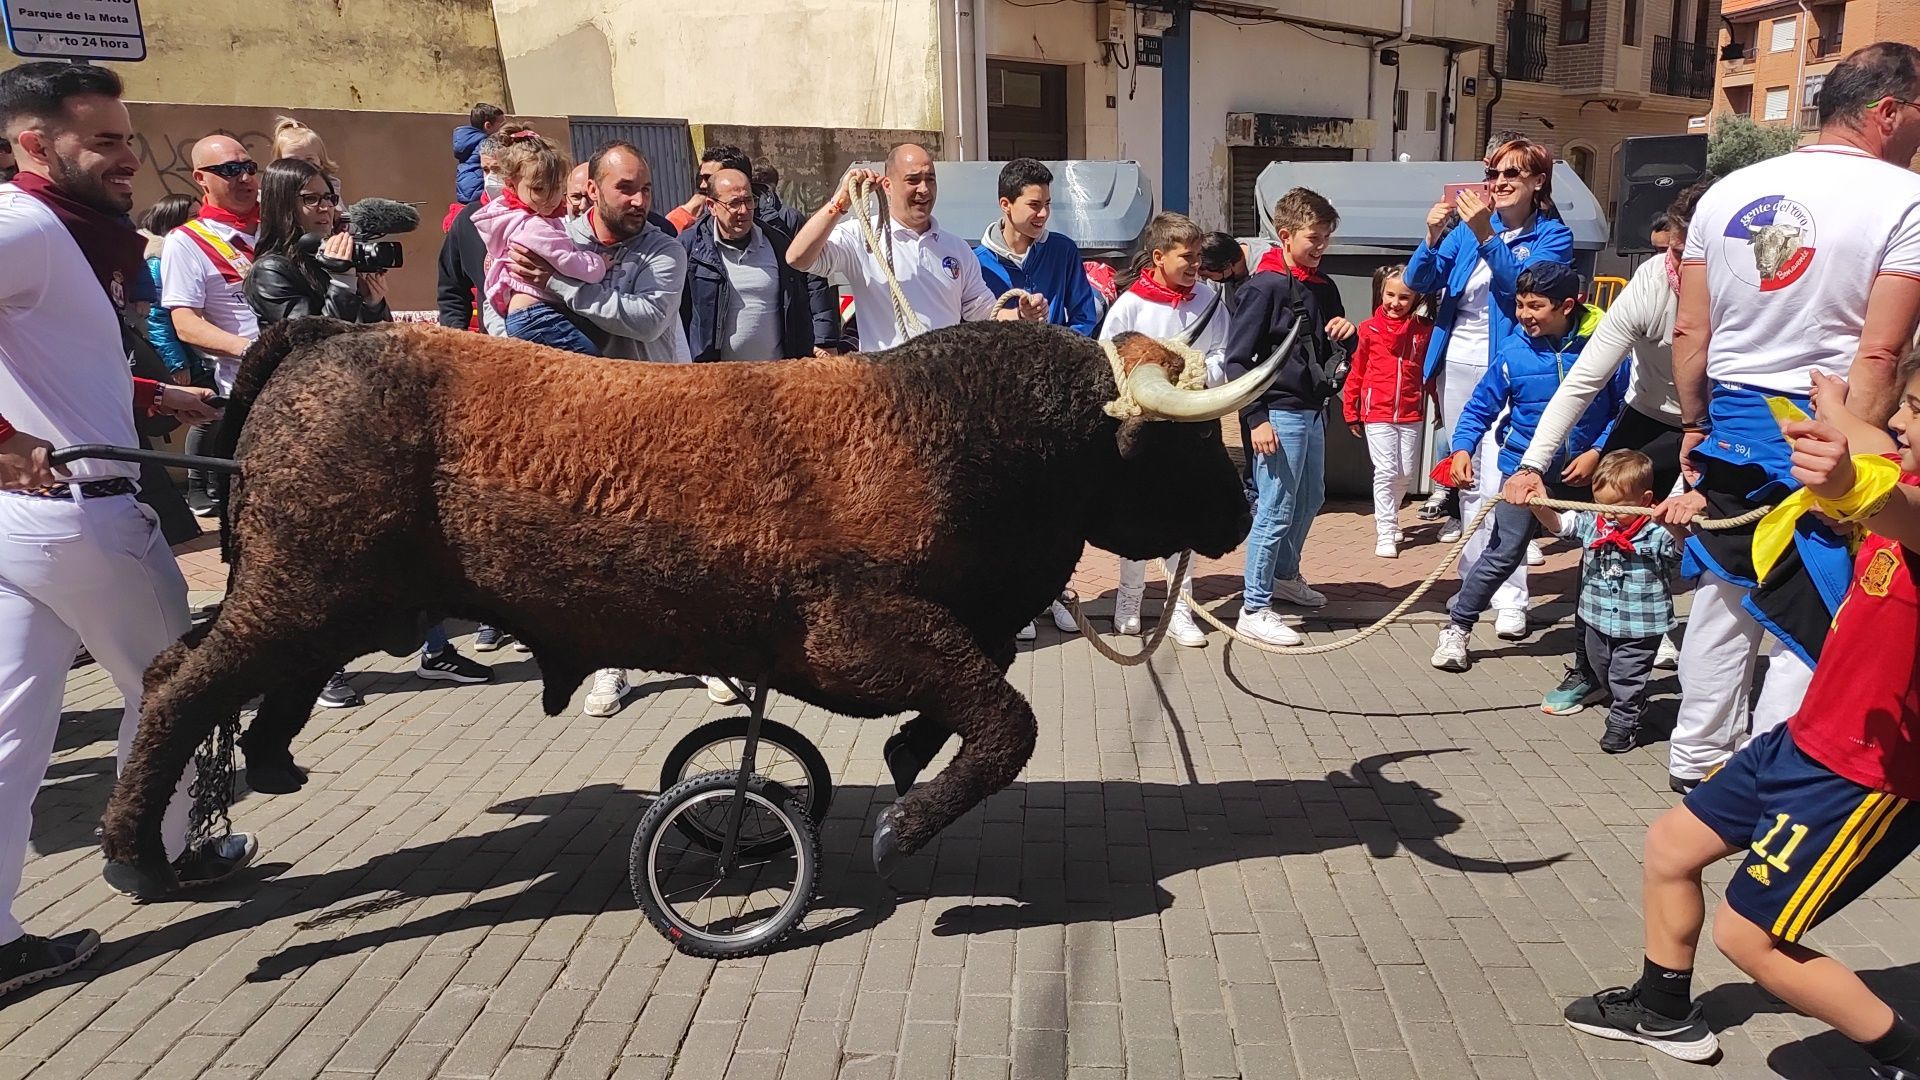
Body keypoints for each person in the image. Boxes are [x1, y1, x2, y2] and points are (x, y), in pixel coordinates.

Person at [1564, 353, 1920, 1072]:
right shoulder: (1901, 467)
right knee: (1671, 848)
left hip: (1864, 775)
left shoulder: (1898, 499)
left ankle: (1903, 1053)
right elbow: (1878, 450)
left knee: (1750, 938)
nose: (1901, 422)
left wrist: (1846, 480)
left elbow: (1890, 502)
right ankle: (1663, 1010)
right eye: (1906, 405)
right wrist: (1834, 405)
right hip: (1806, 739)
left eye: (1916, 410)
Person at [0, 60, 257, 998]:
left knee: (10, 737)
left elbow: (55, 368)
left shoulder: (60, 232)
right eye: (103, 141)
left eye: (124, 138)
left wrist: (154, 393)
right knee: (178, 692)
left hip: (27, 527)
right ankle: (168, 849)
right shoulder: (24, 223)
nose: (127, 160)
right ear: (36, 144)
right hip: (86, 521)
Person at [1653, 42, 1920, 795]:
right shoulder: (1906, 200)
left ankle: (1695, 759)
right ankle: (1772, 774)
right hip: (1827, 420)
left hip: (1733, 415)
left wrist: (1696, 426)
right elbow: (1880, 352)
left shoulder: (1729, 191)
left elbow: (1690, 333)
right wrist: (1855, 458)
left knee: (1724, 596)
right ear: (1887, 110)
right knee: (1815, 611)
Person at [1505, 181, 1713, 714]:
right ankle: (1588, 668)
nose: (1682, 264)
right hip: (1650, 419)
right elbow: (1582, 383)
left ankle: (1697, 675)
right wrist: (1533, 464)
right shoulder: (1649, 284)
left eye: (1698, 255)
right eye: (1676, 250)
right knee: (1603, 538)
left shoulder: (1745, 284)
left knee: (1701, 545)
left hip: (1721, 424)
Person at [1406, 137, 1575, 630]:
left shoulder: (1552, 236)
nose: (1499, 184)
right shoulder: (1468, 228)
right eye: (1495, 175)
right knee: (1468, 476)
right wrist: (1433, 236)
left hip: (1512, 365)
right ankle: (1472, 582)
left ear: (1538, 183)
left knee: (1510, 478)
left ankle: (1512, 595)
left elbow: (1525, 286)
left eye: (1513, 175)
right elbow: (1422, 280)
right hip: (1457, 361)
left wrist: (1485, 235)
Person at [1430, 263, 1625, 672]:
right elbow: (1479, 407)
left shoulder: (1605, 347)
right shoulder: (1513, 351)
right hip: (1523, 469)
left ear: (1568, 305)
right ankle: (1457, 628)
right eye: (1520, 305)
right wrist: (1462, 448)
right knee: (1503, 552)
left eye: (1535, 306)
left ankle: (1622, 639)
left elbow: (1626, 408)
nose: (1523, 315)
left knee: (1605, 554)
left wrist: (1598, 451)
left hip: (1589, 473)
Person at [1226, 187, 1355, 643]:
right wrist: (1256, 417)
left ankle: (1284, 575)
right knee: (1276, 507)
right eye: (1313, 238)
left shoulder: (1325, 287)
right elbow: (1237, 360)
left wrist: (1347, 334)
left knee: (1310, 497)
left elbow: (1334, 349)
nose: (1320, 247)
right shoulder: (1263, 287)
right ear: (1284, 235)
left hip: (1313, 408)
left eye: (1325, 238)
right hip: (1279, 412)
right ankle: (1254, 606)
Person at [1096, 212, 1228, 648]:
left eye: (1197, 257)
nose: (1194, 265)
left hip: (1191, 431)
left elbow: (1223, 354)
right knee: (1136, 515)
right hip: (1143, 429)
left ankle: (1179, 609)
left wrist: (1199, 374)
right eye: (1185, 257)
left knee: (1180, 518)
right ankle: (1129, 601)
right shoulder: (1131, 305)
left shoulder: (1210, 301)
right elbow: (1110, 360)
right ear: (1158, 257)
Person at [786, 144, 1045, 352]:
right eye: (913, 180)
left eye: (930, 179)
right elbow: (798, 258)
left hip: (942, 385)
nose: (923, 189)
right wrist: (840, 202)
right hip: (883, 387)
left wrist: (1021, 314)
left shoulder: (957, 249)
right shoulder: (860, 235)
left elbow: (985, 315)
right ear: (887, 185)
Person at [1527, 450, 1681, 752]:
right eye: (1601, 504)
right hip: (1596, 618)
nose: (1607, 513)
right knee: (1603, 671)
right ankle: (1632, 703)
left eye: (1617, 507)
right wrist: (1537, 504)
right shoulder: (1595, 523)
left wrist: (1675, 524)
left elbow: (1681, 550)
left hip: (1640, 624)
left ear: (1645, 499)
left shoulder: (1656, 532)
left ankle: (1623, 723)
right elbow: (1559, 525)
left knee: (1626, 676)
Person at [508, 140, 693, 363]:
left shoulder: (664, 250)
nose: (640, 201)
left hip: (644, 392)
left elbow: (649, 321)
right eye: (625, 188)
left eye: (645, 189)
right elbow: (502, 295)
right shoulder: (559, 239)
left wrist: (558, 284)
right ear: (593, 190)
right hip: (573, 391)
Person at [161, 133, 260, 518]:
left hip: (312, 380)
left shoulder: (280, 226)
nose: (244, 178)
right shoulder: (186, 242)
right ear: (201, 178)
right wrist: (251, 351)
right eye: (229, 170)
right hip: (249, 391)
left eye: (249, 167)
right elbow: (185, 323)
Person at [473, 132, 608, 355]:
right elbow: (569, 261)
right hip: (538, 316)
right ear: (511, 184)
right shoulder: (533, 227)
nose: (550, 197)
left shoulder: (512, 219)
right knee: (596, 367)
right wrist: (599, 264)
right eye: (538, 189)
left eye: (557, 188)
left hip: (525, 316)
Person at [680, 167, 820, 362]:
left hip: (776, 378)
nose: (744, 211)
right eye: (734, 203)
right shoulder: (690, 250)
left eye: (748, 200)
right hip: (716, 381)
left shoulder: (778, 244)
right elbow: (680, 318)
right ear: (711, 206)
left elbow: (800, 306)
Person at [1343, 264, 1433, 558]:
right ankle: (1385, 528)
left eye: (1404, 298)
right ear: (1381, 293)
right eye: (1390, 295)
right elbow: (1357, 370)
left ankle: (1390, 516)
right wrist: (1351, 408)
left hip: (1410, 412)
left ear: (1416, 299)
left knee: (1405, 473)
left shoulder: (1423, 331)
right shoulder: (1368, 329)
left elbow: (1429, 372)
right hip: (1377, 411)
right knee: (1386, 471)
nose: (1395, 303)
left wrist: (1437, 401)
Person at [973, 158, 1100, 337]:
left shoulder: (1063, 251)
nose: (1043, 214)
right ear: (1005, 205)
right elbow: (970, 325)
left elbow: (1084, 316)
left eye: (1047, 204)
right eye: (1034, 205)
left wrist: (1063, 352)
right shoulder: (976, 263)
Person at [438, 121, 530, 337]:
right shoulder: (468, 220)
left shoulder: (545, 216)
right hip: (491, 343)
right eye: (485, 170)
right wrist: (457, 340)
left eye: (497, 170)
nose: (491, 178)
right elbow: (451, 289)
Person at [136, 194, 201, 385]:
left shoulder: (192, 251)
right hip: (188, 359)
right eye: (193, 217)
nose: (200, 222)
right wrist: (177, 363)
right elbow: (156, 316)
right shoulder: (158, 258)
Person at [271, 116, 339, 196]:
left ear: (321, 162)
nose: (302, 166)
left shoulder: (329, 185)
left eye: (309, 159)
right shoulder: (277, 186)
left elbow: (335, 206)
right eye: (292, 161)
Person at [454, 102, 503, 205]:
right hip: (479, 190)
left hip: (466, 189)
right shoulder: (486, 143)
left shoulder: (468, 142)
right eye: (502, 124)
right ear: (488, 126)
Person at [1197, 230, 1250, 305]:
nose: (1204, 279)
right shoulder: (1216, 281)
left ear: (1226, 267)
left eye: (1208, 276)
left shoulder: (1266, 270)